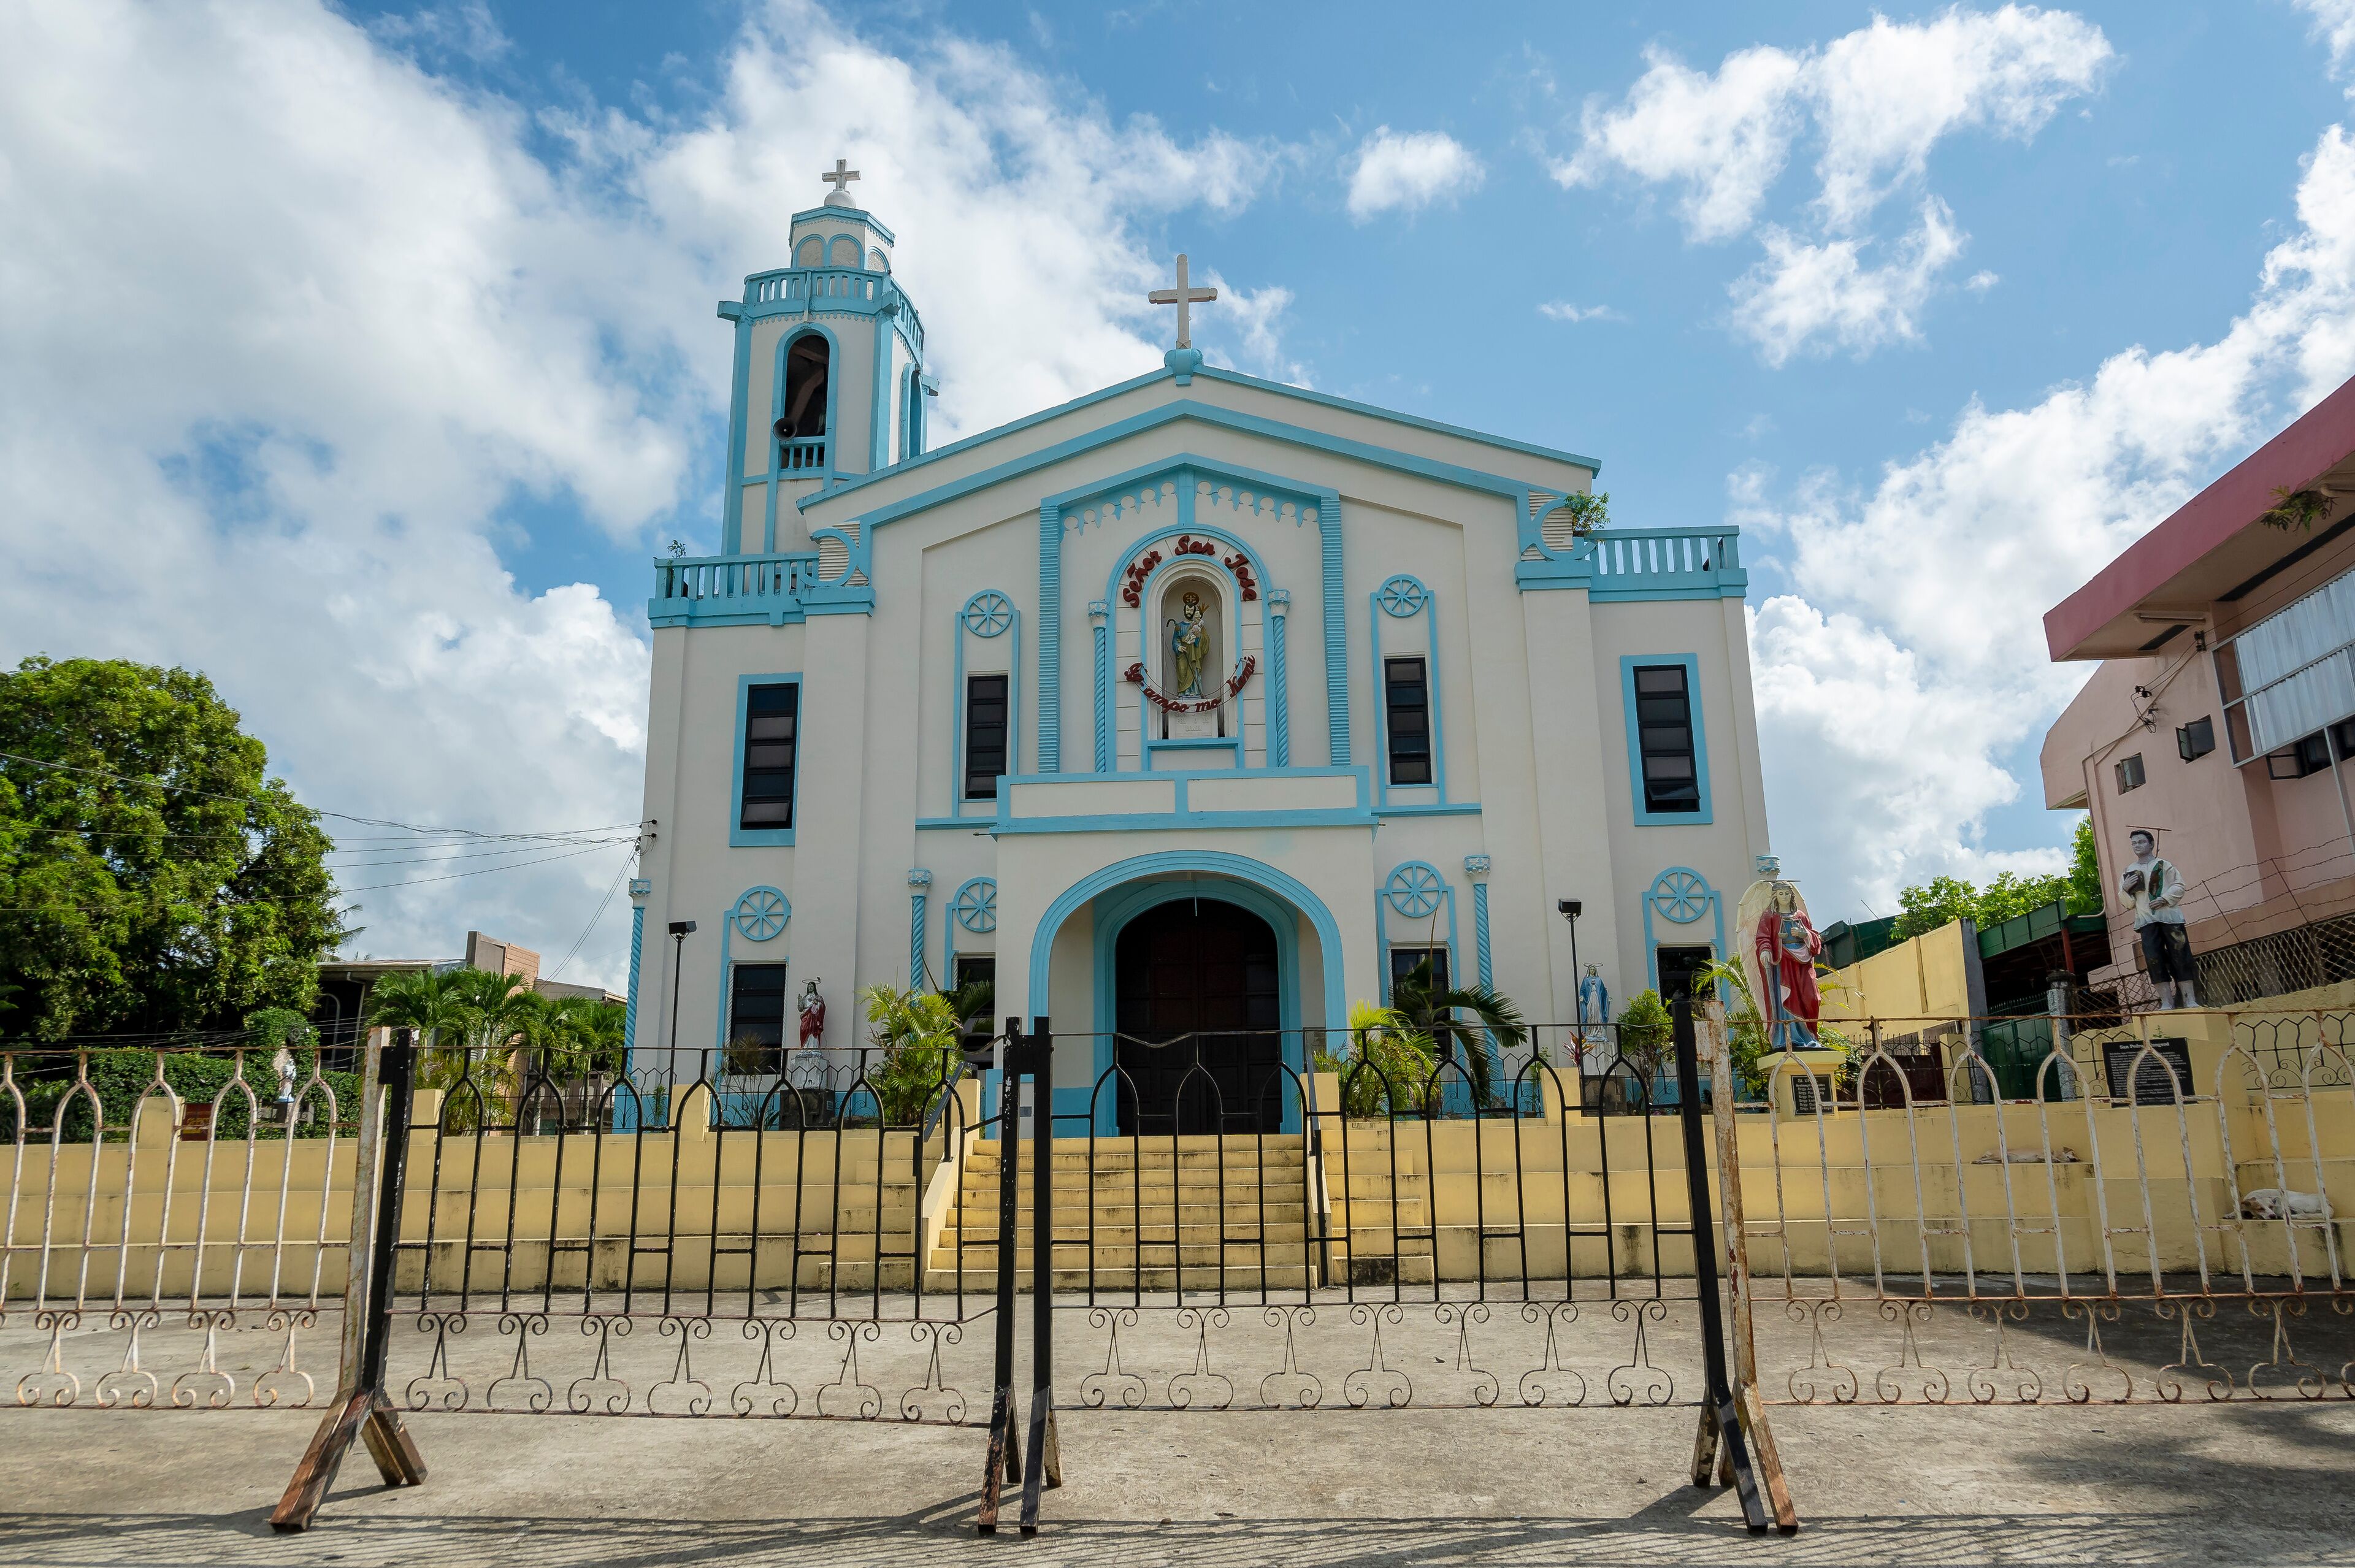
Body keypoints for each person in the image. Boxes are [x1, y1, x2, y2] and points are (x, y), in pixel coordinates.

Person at [2121, 828, 2197, 1008]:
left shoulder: (2164, 865)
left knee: (2181, 956)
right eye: (2134, 843)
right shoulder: (2129, 871)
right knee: (2154, 959)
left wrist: (2164, 899)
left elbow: (2179, 886)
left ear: (2151, 844)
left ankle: (2189, 999)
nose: (2137, 846)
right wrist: (2125, 889)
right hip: (2147, 921)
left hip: (2170, 919)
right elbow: (2128, 903)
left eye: (2141, 842)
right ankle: (2166, 1001)